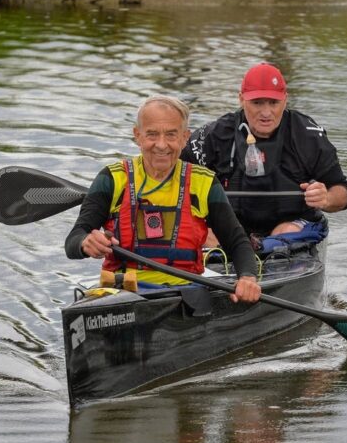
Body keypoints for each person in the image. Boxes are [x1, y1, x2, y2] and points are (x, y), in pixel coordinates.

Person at [64, 95, 262, 304]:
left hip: (185, 293)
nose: (161, 144)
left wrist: (248, 278)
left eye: (171, 135)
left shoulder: (204, 183)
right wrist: (85, 243)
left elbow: (237, 242)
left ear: (185, 138)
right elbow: (73, 241)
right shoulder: (112, 179)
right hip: (122, 292)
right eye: (152, 134)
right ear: (137, 135)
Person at [180, 62, 347, 241]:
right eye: (257, 103)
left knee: (284, 233)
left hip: (289, 227)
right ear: (241, 99)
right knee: (207, 236)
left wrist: (327, 199)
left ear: (285, 99)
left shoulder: (308, 136)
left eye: (273, 102)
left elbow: (344, 193)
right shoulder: (213, 136)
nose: (266, 112)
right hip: (229, 225)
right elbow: (174, 178)